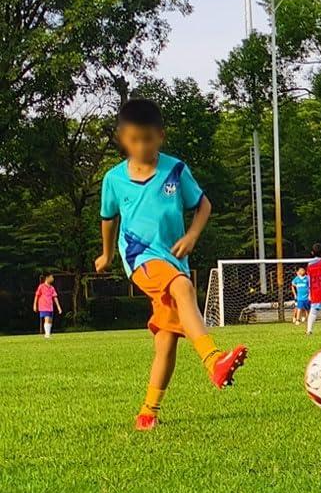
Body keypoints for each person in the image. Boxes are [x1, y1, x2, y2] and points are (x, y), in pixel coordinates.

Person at [96, 97, 246, 430]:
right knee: (183, 286)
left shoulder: (176, 169)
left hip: (174, 256)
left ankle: (148, 413)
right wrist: (107, 254)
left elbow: (203, 205)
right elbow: (108, 218)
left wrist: (192, 235)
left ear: (160, 136)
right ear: (123, 139)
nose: (141, 146)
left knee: (166, 340)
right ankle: (212, 359)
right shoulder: (113, 179)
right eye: (133, 139)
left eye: (147, 139)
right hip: (139, 256)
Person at [34, 272, 59, 337]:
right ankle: (47, 334)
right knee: (47, 319)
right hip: (43, 306)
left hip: (50, 306)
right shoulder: (41, 286)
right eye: (51, 277)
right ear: (47, 278)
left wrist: (58, 307)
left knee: (50, 320)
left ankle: (48, 332)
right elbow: (37, 295)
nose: (52, 278)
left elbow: (55, 297)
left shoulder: (52, 288)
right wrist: (35, 305)